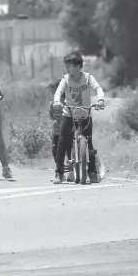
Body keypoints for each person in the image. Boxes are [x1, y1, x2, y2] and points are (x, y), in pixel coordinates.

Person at [52, 51, 104, 184]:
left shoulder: (88, 78)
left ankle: (92, 172)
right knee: (62, 142)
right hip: (69, 113)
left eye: (69, 66)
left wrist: (100, 100)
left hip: (85, 113)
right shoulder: (66, 79)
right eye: (66, 66)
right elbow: (59, 91)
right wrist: (57, 101)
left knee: (89, 143)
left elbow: (98, 88)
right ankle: (59, 173)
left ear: (78, 66)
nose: (67, 69)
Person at [47, 79, 74, 182]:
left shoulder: (69, 102)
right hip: (57, 132)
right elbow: (51, 116)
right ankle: (60, 173)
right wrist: (56, 121)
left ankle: (71, 172)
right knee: (55, 152)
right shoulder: (52, 104)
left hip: (68, 131)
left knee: (69, 153)